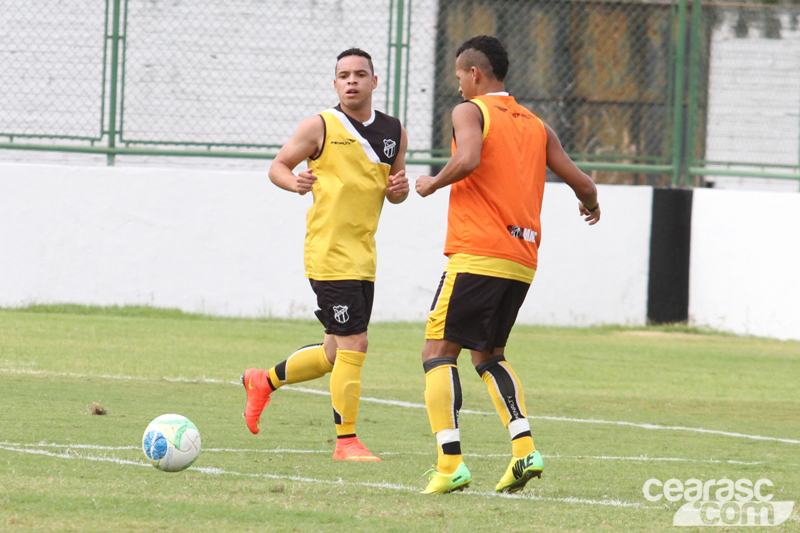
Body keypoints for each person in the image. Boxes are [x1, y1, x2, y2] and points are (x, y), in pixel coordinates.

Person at [414, 35, 601, 493]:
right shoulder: (536, 125)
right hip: (521, 260)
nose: (457, 84)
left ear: (474, 73)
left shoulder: (470, 111)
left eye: (459, 75)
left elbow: (469, 157)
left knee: (437, 353)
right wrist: (589, 204)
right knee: (489, 355)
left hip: (478, 252)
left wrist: (432, 183)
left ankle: (449, 463)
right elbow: (583, 182)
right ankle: (524, 452)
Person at [242, 48, 409, 462]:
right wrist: (293, 182)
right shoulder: (321, 125)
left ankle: (263, 381)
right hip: (329, 252)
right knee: (356, 342)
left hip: (364, 255)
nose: (351, 81)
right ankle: (346, 442)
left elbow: (395, 186)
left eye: (359, 74)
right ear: (335, 84)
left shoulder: (393, 131)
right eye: (343, 75)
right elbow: (278, 165)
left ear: (374, 81)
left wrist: (399, 192)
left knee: (335, 352)